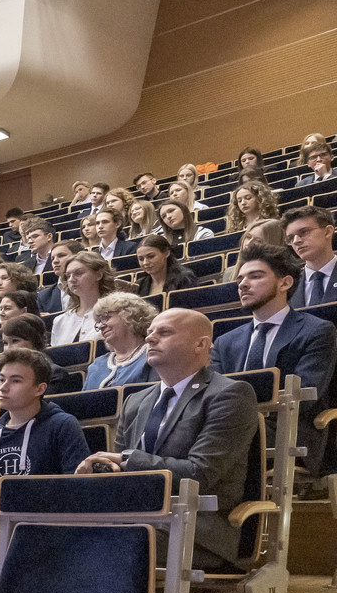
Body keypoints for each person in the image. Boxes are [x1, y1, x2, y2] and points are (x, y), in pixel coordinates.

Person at [78, 309, 260, 569]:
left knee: (93, 542)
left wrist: (127, 459)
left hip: (196, 528)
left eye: (164, 332)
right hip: (140, 516)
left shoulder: (230, 394)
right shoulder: (136, 401)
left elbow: (199, 474)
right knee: (54, 528)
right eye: (150, 332)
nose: (150, 338)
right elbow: (119, 471)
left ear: (201, 344)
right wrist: (99, 470)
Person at [210, 242, 335, 468]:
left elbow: (306, 396)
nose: (243, 284)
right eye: (240, 279)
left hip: (288, 430)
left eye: (255, 276)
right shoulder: (225, 341)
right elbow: (212, 394)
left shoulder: (317, 330)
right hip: (231, 427)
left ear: (285, 282)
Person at [0, 349, 90, 477]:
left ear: (39, 389)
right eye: (1, 380)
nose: (3, 387)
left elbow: (77, 484)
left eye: (16, 381)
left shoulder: (62, 426)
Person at [87, 294, 158, 389]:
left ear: (131, 316)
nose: (101, 326)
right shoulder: (96, 365)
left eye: (107, 318)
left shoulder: (152, 355)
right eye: (99, 322)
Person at [52, 252, 117, 346]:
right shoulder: (59, 321)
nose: (71, 279)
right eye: (68, 276)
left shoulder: (116, 313)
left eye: (78, 273)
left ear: (99, 275)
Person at [285, 205, 337, 308]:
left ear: (328, 232)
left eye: (304, 232)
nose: (296, 241)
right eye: (291, 238)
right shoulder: (287, 285)